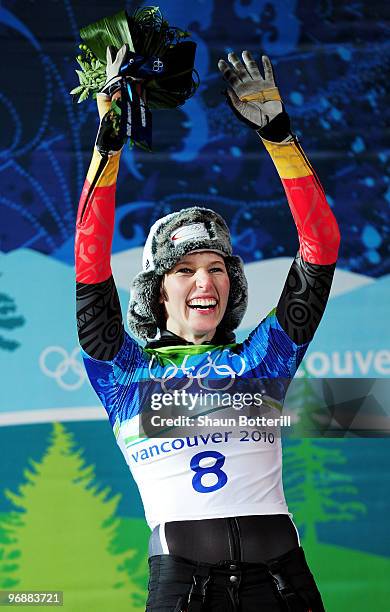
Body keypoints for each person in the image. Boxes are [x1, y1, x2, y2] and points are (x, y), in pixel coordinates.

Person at [75, 45, 340, 611]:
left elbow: (321, 250)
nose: (205, 281)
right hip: (183, 590)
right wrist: (107, 148)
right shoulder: (122, 371)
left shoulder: (264, 359)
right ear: (156, 289)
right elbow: (91, 268)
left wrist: (280, 138)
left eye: (217, 268)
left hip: (284, 585)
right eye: (185, 269)